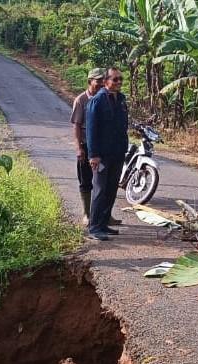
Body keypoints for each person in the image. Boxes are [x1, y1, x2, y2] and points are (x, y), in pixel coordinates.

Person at [86, 67, 129, 241]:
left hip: (117, 153)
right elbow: (91, 130)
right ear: (106, 81)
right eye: (115, 79)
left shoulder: (121, 99)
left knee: (111, 190)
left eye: (120, 79)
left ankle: (103, 223)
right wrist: (93, 154)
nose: (118, 82)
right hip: (102, 155)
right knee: (100, 190)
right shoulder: (97, 101)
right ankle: (94, 227)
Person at [70, 68, 105, 225]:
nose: (100, 83)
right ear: (90, 81)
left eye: (103, 80)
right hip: (86, 145)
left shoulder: (104, 98)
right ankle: (86, 213)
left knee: (103, 181)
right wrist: (79, 148)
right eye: (97, 80)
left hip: (102, 146)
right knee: (86, 180)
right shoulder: (81, 100)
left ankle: (104, 214)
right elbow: (76, 126)